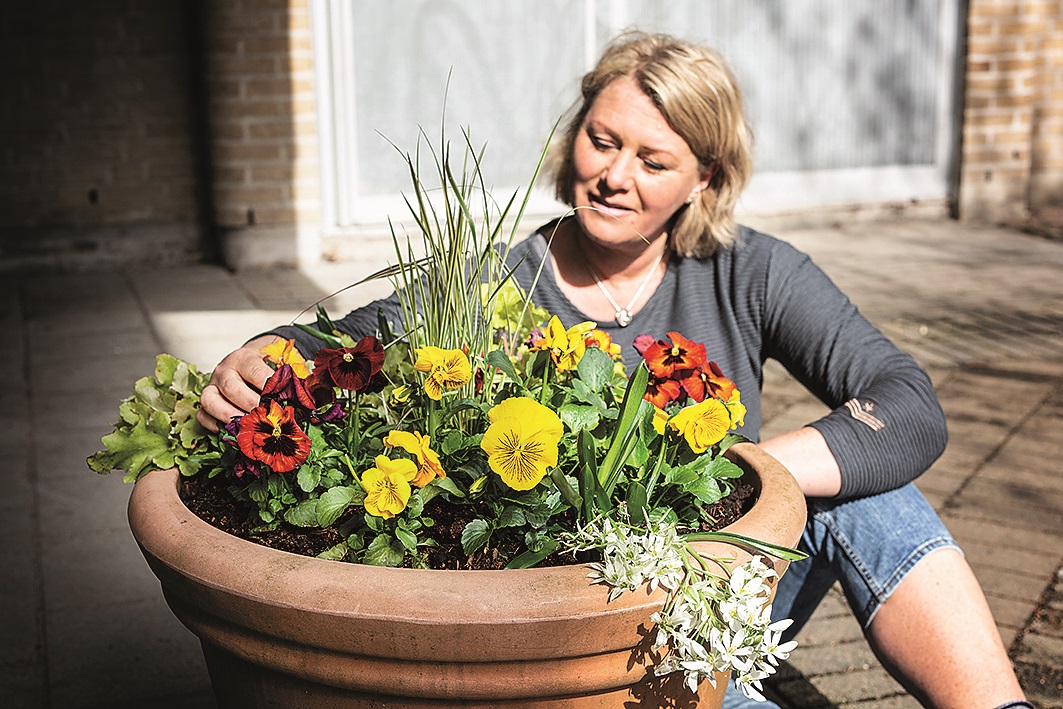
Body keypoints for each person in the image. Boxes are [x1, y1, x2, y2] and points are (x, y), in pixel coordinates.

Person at [197, 32, 1030, 709]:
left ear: (704, 178)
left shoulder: (749, 272)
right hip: (596, 636)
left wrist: (742, 471)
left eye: (652, 160)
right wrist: (270, 350)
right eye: (602, 140)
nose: (614, 176)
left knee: (872, 482)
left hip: (728, 580)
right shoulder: (500, 285)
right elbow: (351, 339)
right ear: (576, 140)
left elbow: (908, 405)